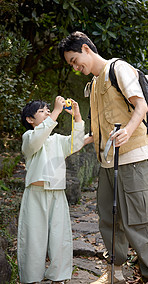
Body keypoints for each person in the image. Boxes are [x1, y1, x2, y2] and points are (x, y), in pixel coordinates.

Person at [58, 32, 148, 284]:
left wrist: (127, 130)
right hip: (107, 162)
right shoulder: (95, 83)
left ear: (86, 49)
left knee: (140, 220)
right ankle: (116, 270)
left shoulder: (118, 69)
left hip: (132, 157)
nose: (76, 67)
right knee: (109, 218)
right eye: (71, 65)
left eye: (76, 60)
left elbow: (140, 106)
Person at [17, 96, 85, 284]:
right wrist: (56, 111)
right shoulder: (29, 137)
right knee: (33, 237)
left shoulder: (57, 140)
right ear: (30, 120)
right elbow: (38, 138)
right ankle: (31, 278)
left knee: (59, 236)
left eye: (49, 109)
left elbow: (76, 143)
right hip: (35, 195)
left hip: (57, 193)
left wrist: (77, 117)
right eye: (42, 111)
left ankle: (59, 275)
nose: (47, 111)